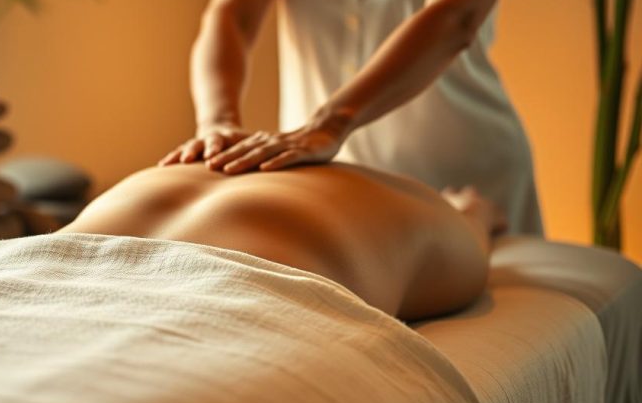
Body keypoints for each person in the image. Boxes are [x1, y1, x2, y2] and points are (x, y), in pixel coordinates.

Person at [159, 0, 545, 236]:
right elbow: (232, 16)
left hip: (464, 178)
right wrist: (217, 123)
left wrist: (331, 123)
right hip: (327, 181)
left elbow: (456, 16)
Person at [61, 162, 504, 321]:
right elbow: (471, 243)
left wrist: (217, 122)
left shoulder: (179, 171)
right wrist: (473, 213)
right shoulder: (413, 204)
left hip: (55, 255)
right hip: (296, 253)